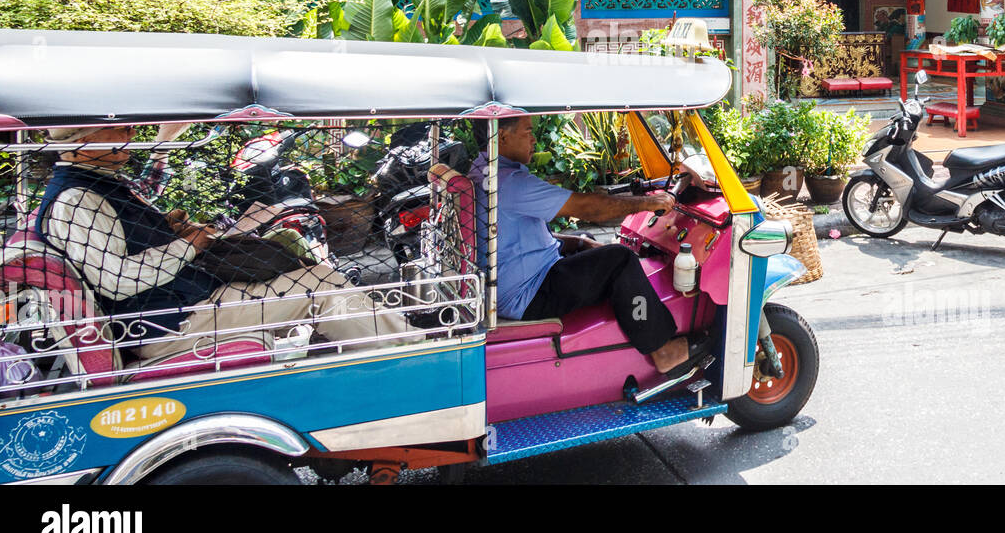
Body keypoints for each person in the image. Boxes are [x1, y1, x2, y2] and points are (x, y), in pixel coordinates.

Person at [37, 125, 414, 360]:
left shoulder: (96, 184)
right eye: (118, 132)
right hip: (171, 324)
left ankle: (385, 346)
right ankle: (403, 356)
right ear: (82, 139)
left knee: (310, 270)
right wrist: (189, 245)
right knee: (322, 284)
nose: (129, 136)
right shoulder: (77, 199)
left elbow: (120, 247)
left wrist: (168, 230)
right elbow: (116, 280)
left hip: (183, 304)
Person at [469, 115, 710, 375]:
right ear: (502, 137)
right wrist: (649, 203)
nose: (534, 138)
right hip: (528, 294)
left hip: (514, 278)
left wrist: (580, 242)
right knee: (620, 259)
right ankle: (662, 349)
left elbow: (519, 237)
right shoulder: (509, 184)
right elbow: (588, 207)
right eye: (527, 131)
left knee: (586, 240)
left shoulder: (483, 169)